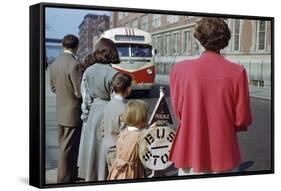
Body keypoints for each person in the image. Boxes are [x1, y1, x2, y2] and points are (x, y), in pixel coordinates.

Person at [168, 18, 252, 175]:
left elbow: (179, 113)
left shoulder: (179, 69)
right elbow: (242, 119)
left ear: (200, 39)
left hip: (190, 150)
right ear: (225, 40)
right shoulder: (237, 71)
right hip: (224, 152)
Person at [77, 38, 120, 181]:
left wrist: (86, 117)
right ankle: (103, 176)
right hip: (106, 112)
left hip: (93, 112)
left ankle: (91, 176)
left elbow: (86, 98)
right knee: (104, 148)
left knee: (92, 148)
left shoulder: (88, 71)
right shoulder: (113, 74)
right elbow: (115, 101)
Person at [49, 34, 82, 183]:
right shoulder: (74, 64)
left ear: (63, 45)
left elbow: (53, 87)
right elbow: (79, 91)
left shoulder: (54, 63)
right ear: (77, 46)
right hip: (72, 112)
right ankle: (64, 179)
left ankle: (71, 175)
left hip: (60, 109)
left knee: (64, 145)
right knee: (68, 149)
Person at [107, 100, 149, 180]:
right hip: (131, 171)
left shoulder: (124, 131)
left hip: (117, 169)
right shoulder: (139, 135)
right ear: (142, 118)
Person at [101, 72, 132, 171]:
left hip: (108, 147)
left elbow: (102, 127)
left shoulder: (108, 104)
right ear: (128, 89)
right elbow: (125, 134)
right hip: (119, 151)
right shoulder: (125, 108)